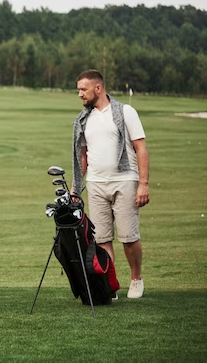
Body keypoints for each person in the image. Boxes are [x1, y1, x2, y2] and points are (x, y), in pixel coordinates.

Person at [72, 69, 150, 299]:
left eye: (83, 89)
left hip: (125, 181)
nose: (79, 95)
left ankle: (136, 279)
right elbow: (82, 157)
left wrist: (143, 184)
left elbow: (141, 148)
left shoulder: (125, 112)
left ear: (98, 88)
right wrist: (76, 189)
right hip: (96, 184)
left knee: (129, 238)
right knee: (102, 239)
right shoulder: (82, 120)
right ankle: (110, 284)